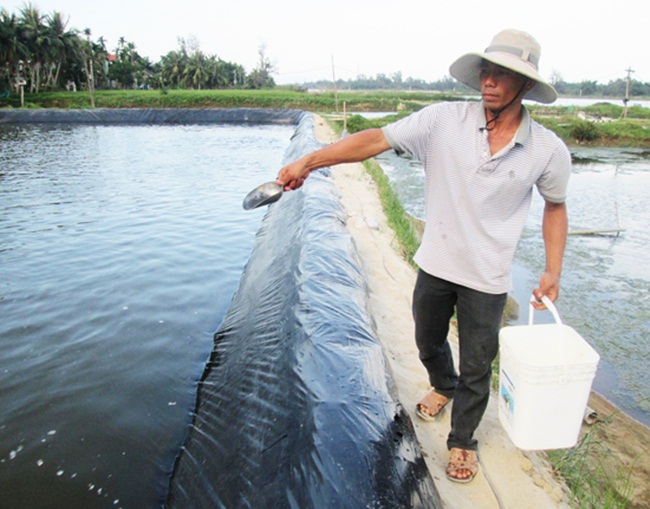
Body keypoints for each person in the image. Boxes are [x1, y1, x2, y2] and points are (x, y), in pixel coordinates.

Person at [276, 29, 571, 483]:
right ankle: (441, 384)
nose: (490, 82)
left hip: (488, 278)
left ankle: (463, 441)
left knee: (479, 363)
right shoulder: (442, 122)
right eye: (486, 71)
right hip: (435, 264)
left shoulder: (547, 150)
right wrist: (309, 162)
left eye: (503, 75)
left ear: (526, 85)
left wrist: (553, 270)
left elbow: (555, 206)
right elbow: (374, 139)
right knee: (427, 340)